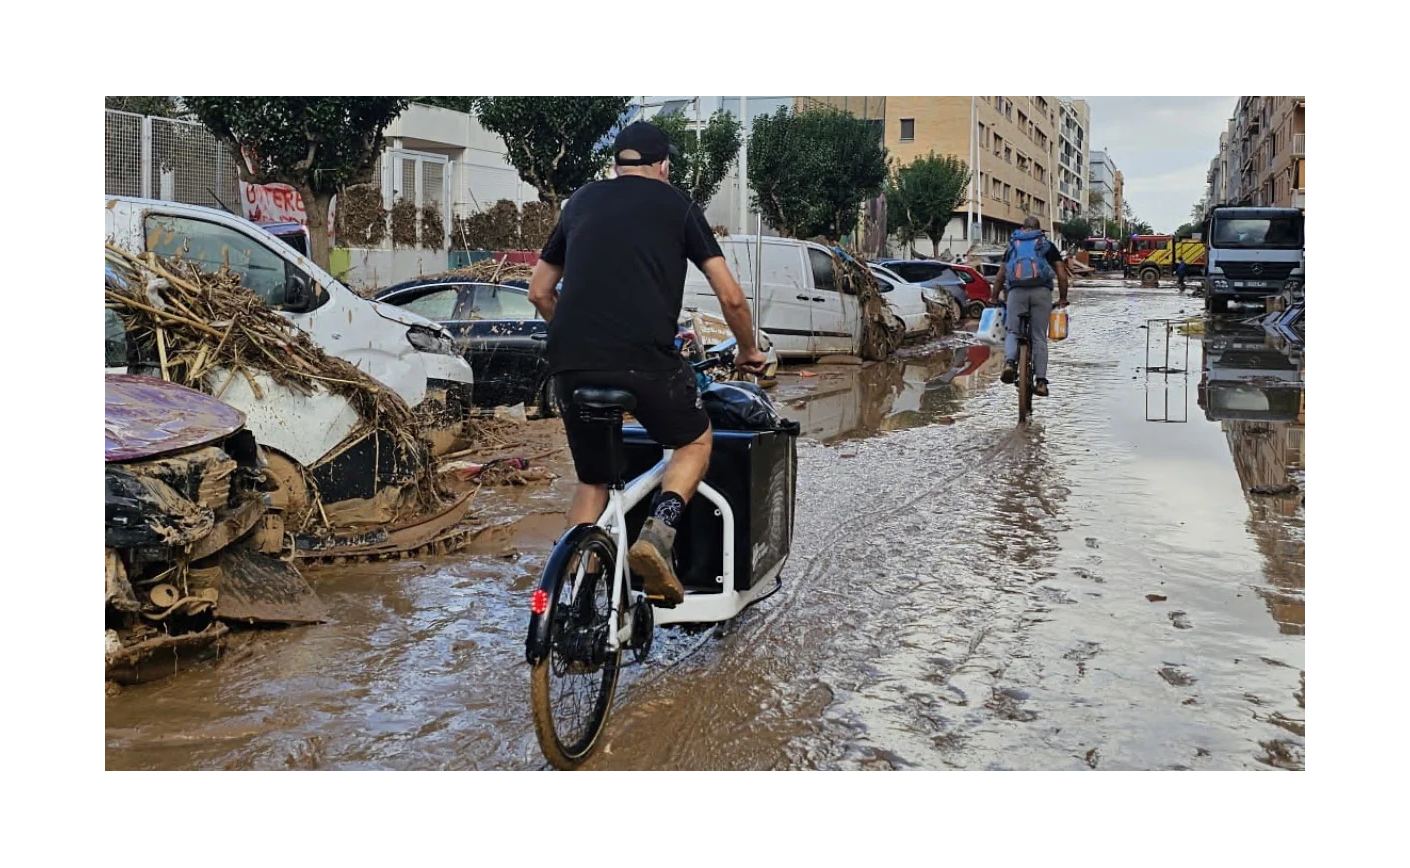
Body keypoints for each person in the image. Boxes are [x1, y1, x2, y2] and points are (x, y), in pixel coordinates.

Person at [527, 121, 768, 605]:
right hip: (645, 361)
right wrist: (748, 351)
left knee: (594, 480)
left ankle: (575, 605)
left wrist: (576, 338)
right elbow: (732, 298)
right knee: (695, 439)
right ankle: (658, 535)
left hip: (570, 363)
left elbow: (539, 290)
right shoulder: (677, 205)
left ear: (616, 164)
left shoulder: (580, 203)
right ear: (664, 166)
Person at [989, 216, 1069, 397]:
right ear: (1039, 230)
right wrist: (1062, 298)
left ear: (1023, 228)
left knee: (1013, 331)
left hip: (1016, 293)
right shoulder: (1047, 245)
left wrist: (994, 297)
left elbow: (1001, 275)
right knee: (1039, 336)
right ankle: (1041, 381)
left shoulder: (1012, 246)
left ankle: (1009, 363)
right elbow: (1062, 275)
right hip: (1042, 293)